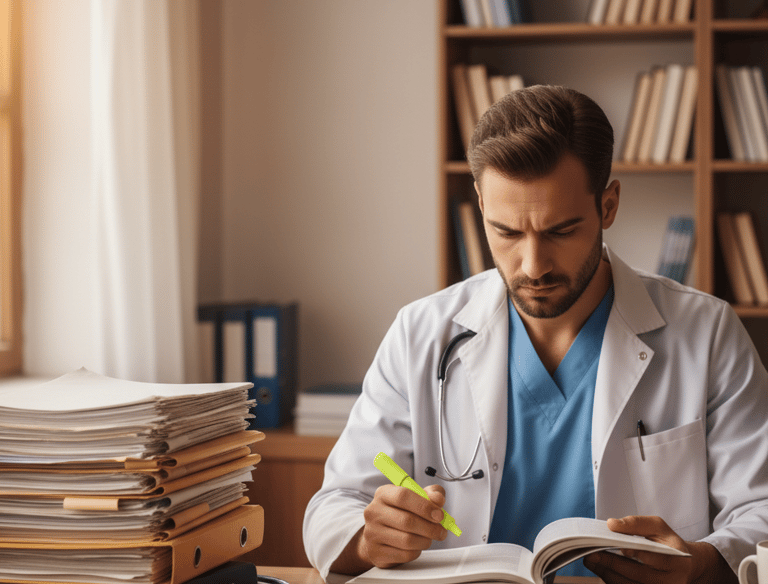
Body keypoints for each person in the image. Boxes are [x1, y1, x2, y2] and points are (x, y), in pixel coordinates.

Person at [302, 85, 768, 583]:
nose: (533, 265)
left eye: (560, 231)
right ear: (480, 204)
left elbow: (761, 510)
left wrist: (704, 564)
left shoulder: (708, 334)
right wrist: (368, 537)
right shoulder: (421, 334)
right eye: (506, 232)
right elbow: (333, 507)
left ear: (608, 206)